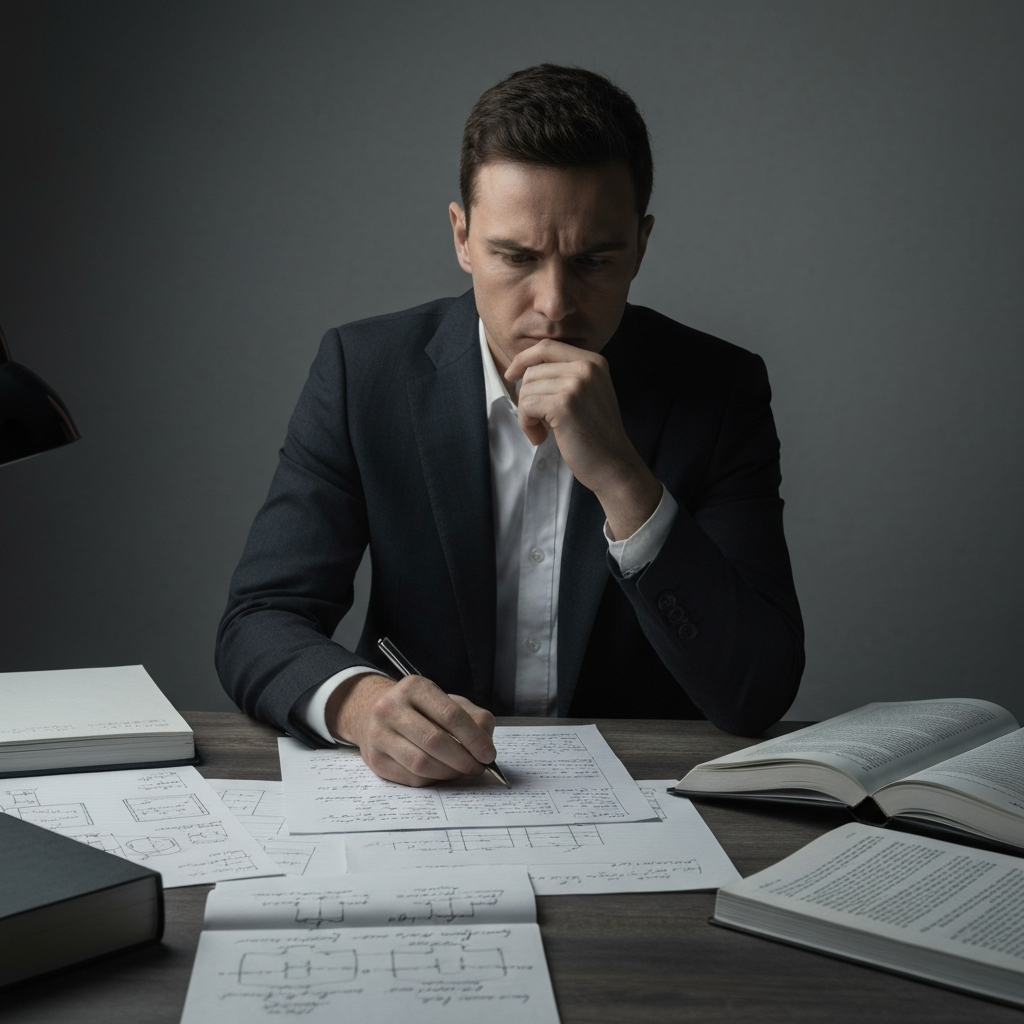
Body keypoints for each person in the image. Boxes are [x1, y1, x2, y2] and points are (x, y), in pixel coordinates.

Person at [216, 64, 804, 787]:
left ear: (641, 247)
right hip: (423, 800)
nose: (555, 305)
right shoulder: (362, 374)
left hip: (640, 799)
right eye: (515, 257)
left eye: (595, 260)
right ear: (462, 237)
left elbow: (758, 691)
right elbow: (259, 620)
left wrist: (624, 479)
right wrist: (362, 706)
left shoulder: (718, 392)